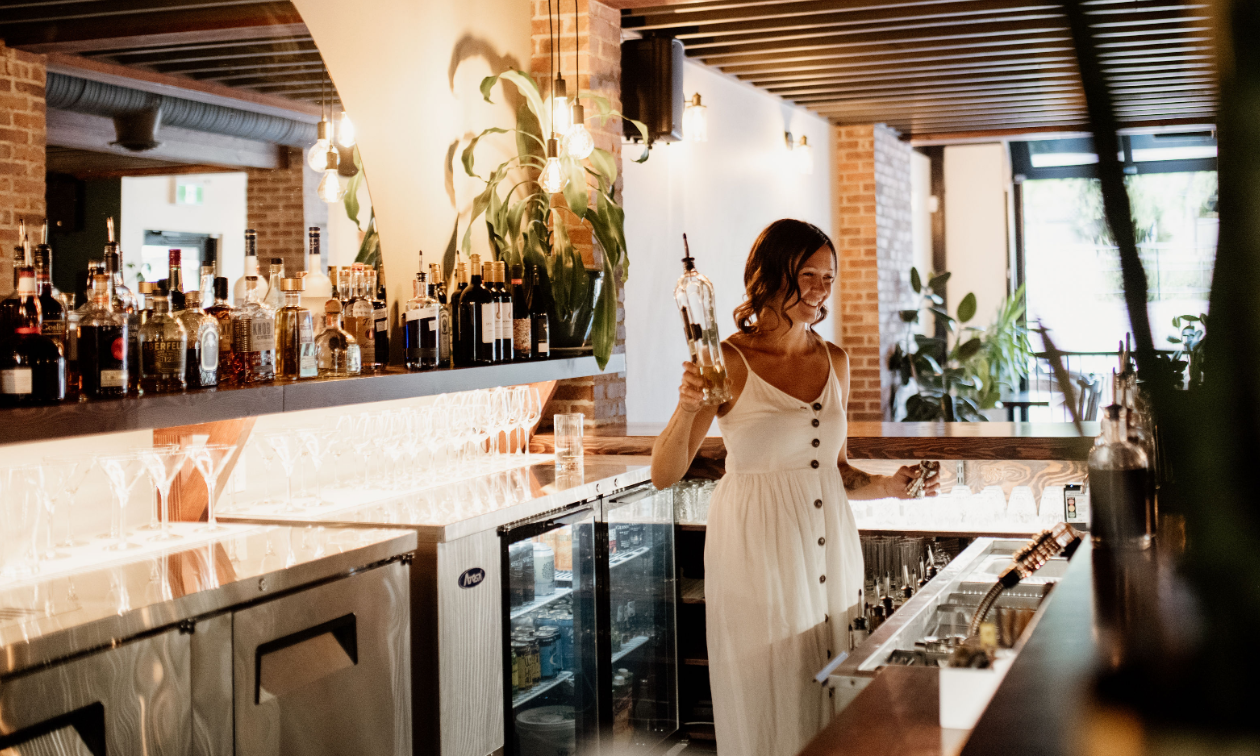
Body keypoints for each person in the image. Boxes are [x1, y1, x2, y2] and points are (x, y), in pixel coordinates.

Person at [651, 219, 939, 756]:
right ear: (768, 275)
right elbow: (664, 472)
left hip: (830, 543)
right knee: (770, 693)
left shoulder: (835, 361)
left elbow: (837, 471)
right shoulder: (727, 361)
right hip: (757, 552)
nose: (820, 289)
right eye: (807, 275)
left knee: (837, 686)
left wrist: (894, 486)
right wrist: (688, 404)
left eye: (828, 278)